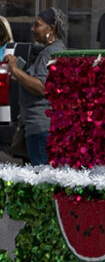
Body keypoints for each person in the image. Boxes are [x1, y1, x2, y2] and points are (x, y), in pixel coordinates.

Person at [7, 9, 67, 165]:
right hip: (41, 126)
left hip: (40, 126)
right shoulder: (54, 50)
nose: (32, 29)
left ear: (51, 29)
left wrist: (15, 69)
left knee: (43, 178)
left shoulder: (50, 53)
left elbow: (41, 87)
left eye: (37, 25)